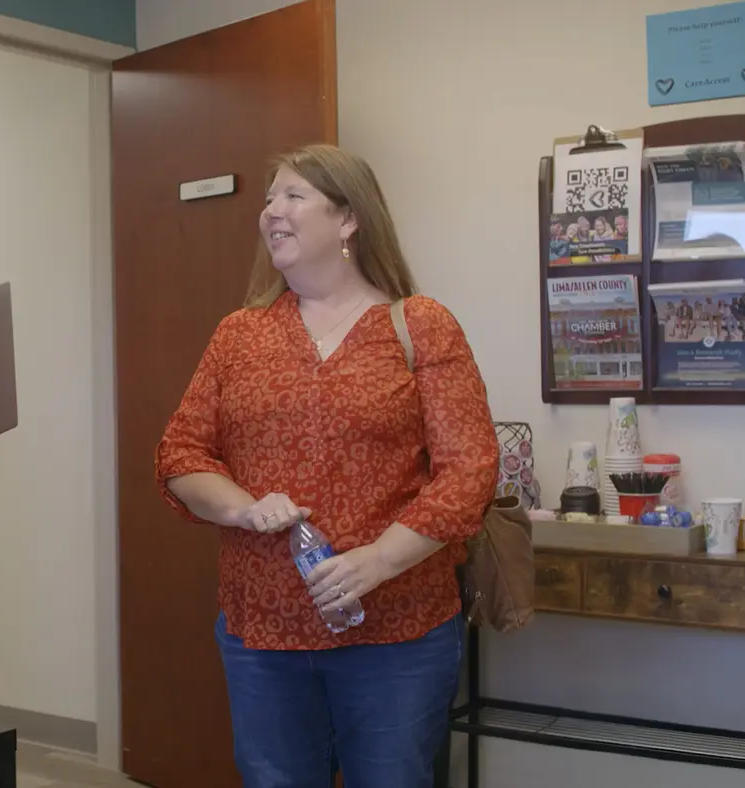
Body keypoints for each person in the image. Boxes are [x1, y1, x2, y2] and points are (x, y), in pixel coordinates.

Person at [154, 144, 498, 788]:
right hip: (261, 633)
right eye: (267, 199)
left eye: (292, 196)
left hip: (396, 632)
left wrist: (379, 560)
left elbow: (469, 470)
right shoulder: (239, 334)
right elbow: (181, 455)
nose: (270, 212)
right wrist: (241, 506)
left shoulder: (419, 326)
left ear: (348, 219)